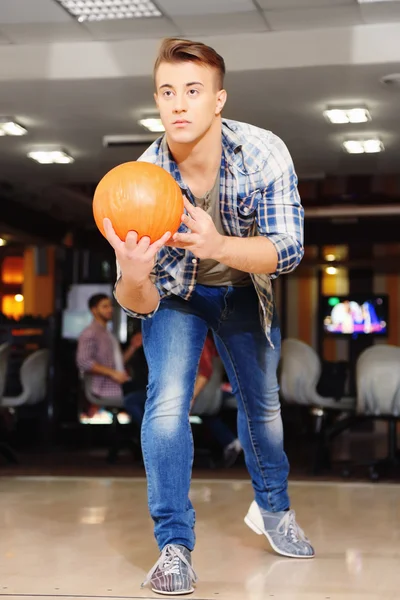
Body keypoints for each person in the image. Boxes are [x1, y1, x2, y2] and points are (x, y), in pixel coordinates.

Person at [104, 38, 315, 596]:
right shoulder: (139, 180)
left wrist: (218, 243)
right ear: (156, 100)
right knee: (167, 402)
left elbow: (288, 250)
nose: (179, 104)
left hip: (246, 286)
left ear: (218, 99)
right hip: (176, 294)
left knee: (262, 406)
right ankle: (174, 546)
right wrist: (132, 271)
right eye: (168, 92)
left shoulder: (264, 152)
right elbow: (137, 302)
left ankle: (273, 509)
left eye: (193, 91)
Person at [76, 294, 146, 427]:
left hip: (119, 382)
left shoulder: (108, 334)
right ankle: (150, 436)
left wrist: (132, 347)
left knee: (150, 390)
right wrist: (113, 374)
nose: (110, 309)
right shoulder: (90, 332)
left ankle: (147, 435)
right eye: (105, 306)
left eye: (111, 306)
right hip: (104, 386)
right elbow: (84, 362)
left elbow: (118, 364)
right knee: (146, 395)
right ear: (94, 310)